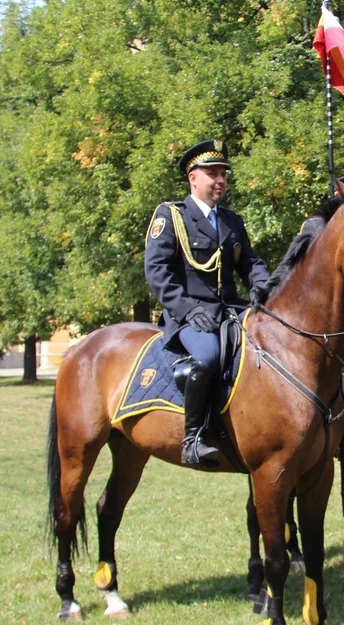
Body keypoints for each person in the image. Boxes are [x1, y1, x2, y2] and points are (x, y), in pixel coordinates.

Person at [144, 139, 270, 467]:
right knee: (208, 357)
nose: (220, 180)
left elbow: (251, 263)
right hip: (188, 316)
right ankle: (193, 439)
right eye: (212, 173)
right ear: (193, 178)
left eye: (223, 174)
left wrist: (261, 285)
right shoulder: (171, 215)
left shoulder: (231, 220)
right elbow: (157, 272)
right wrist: (187, 309)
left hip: (230, 310)